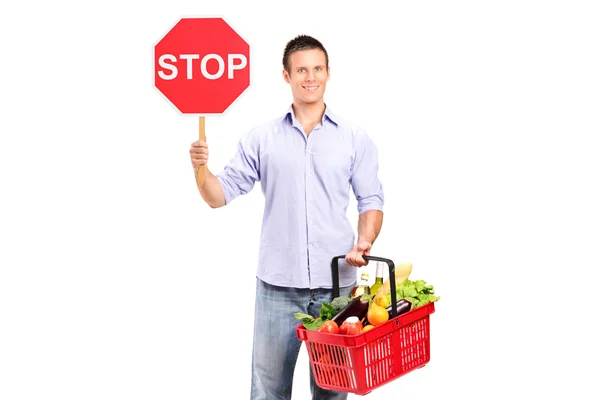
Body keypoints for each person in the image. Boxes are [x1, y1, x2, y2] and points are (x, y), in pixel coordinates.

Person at [189, 34, 384, 400]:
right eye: (301, 70)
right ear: (286, 76)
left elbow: (370, 201)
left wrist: (365, 240)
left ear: (328, 73)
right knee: (268, 392)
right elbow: (218, 196)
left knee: (333, 392)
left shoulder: (355, 140)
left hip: (337, 290)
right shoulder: (261, 139)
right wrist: (200, 168)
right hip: (277, 289)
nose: (310, 77)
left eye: (317, 69)